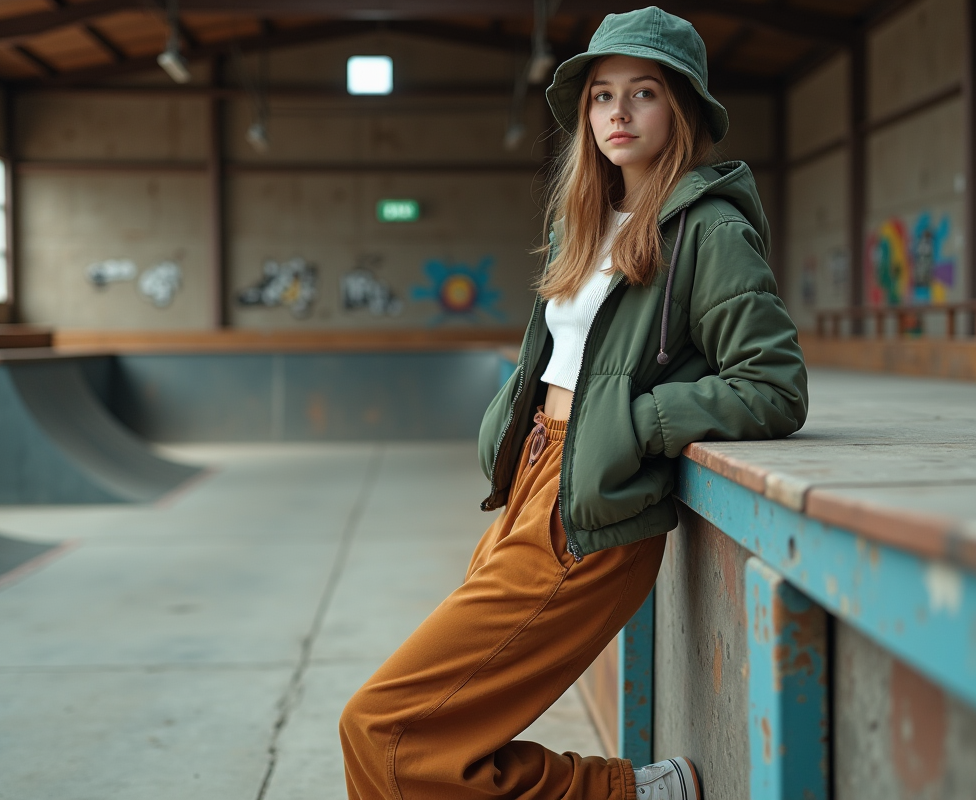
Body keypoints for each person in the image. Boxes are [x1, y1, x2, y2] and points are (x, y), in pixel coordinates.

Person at [340, 7, 808, 800]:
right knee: (424, 741)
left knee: (382, 730)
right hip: (533, 481)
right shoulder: (582, 225)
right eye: (601, 95)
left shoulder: (709, 231)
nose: (618, 113)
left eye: (643, 92)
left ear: (682, 108)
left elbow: (774, 385)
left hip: (588, 507)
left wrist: (636, 423)